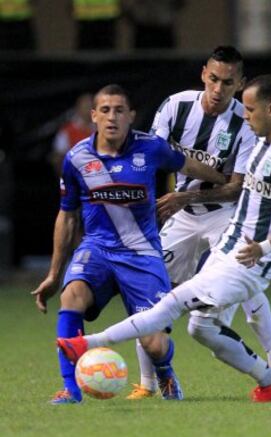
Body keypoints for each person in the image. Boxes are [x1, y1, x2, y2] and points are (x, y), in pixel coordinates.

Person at [58, 74, 271, 402]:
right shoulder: (260, 146)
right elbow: (246, 199)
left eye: (250, 109)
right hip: (231, 246)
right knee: (200, 327)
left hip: (253, 260)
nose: (245, 114)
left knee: (172, 302)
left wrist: (264, 247)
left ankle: (87, 343)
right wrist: (229, 240)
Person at [32, 83, 227, 404]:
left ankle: (164, 373)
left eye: (119, 110)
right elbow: (67, 216)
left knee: (153, 343)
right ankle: (71, 388)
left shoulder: (151, 148)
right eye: (105, 110)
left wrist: (225, 179)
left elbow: (188, 165)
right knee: (72, 296)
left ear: (131, 116)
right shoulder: (77, 158)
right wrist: (54, 273)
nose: (112, 117)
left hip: (142, 254)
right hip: (97, 248)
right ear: (93, 116)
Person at [128, 46, 271, 400]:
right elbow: (152, 156)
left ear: (241, 83)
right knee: (152, 290)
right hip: (182, 219)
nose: (218, 89)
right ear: (204, 73)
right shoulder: (176, 106)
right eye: (214, 79)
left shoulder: (245, 123)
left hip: (225, 217)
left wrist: (184, 196)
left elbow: (235, 189)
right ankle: (148, 382)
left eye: (228, 82)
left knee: (245, 278)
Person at [51, 93, 94, 178]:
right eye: (86, 107)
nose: (89, 110)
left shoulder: (102, 129)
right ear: (78, 109)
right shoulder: (66, 132)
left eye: (91, 107)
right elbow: (57, 159)